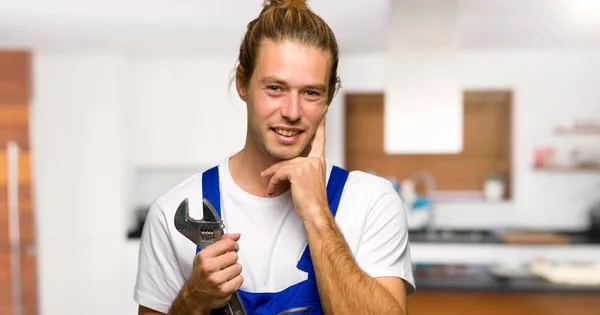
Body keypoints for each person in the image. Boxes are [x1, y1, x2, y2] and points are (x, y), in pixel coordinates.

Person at [134, 0, 416, 314]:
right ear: (243, 83)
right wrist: (191, 301)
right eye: (275, 88)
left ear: (329, 98)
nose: (292, 112)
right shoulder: (172, 210)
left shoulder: (371, 202)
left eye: (310, 92)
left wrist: (317, 214)